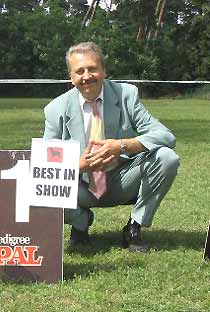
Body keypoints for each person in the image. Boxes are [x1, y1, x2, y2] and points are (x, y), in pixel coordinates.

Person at [43, 42, 179, 252]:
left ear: (104, 71)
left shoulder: (127, 95)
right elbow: (45, 165)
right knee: (40, 190)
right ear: (72, 77)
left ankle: (134, 226)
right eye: (80, 71)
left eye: (92, 68)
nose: (87, 75)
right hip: (80, 186)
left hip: (122, 180)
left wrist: (121, 145)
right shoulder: (55, 109)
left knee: (167, 157)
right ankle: (80, 220)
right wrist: (79, 165)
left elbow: (165, 136)